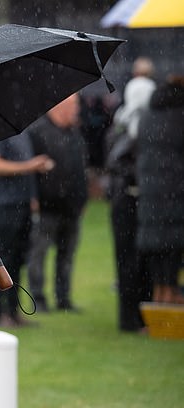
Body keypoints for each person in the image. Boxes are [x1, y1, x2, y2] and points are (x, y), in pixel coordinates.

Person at [105, 57, 156, 332]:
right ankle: (131, 317)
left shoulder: (120, 121)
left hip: (124, 200)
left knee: (134, 260)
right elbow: (118, 163)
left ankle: (135, 315)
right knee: (131, 261)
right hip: (128, 201)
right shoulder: (134, 128)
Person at [0, 133, 54, 326]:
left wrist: (32, 198)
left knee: (18, 260)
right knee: (1, 260)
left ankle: (13, 312)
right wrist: (31, 166)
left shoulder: (23, 133)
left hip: (22, 205)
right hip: (5, 206)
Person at [26, 93, 88, 312]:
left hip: (72, 207)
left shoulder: (74, 132)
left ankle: (64, 298)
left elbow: (81, 170)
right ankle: (39, 298)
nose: (76, 110)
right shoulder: (38, 132)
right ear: (59, 106)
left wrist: (83, 198)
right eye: (73, 105)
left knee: (67, 255)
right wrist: (33, 198)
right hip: (46, 207)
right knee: (39, 254)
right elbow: (30, 169)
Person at [135, 74, 184, 304]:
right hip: (176, 191)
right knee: (173, 247)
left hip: (149, 194)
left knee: (157, 247)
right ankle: (170, 295)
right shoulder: (179, 116)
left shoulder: (146, 115)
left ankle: (158, 294)